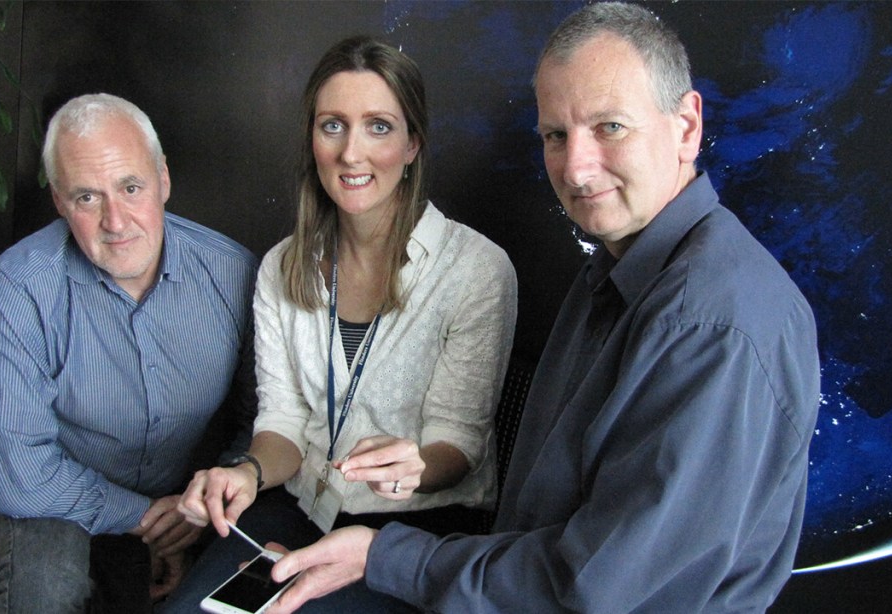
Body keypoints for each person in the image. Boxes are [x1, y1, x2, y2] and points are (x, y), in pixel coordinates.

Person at [259, 3, 822, 613]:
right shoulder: (613, 270)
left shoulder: (712, 326)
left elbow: (594, 587)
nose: (576, 168)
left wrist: (386, 556)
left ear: (686, 126)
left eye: (609, 127)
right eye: (556, 135)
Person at [161, 36, 517, 612]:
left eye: (378, 126)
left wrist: (414, 466)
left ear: (412, 144)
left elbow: (460, 442)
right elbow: (282, 421)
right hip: (303, 505)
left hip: (415, 529)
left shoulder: (476, 270)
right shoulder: (282, 264)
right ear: (312, 139)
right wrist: (249, 472)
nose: (352, 153)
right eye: (333, 126)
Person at [0, 93, 259, 613]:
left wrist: (203, 501)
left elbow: (258, 422)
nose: (116, 221)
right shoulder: (19, 285)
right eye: (86, 198)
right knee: (47, 590)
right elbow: (21, 472)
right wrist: (146, 516)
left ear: (163, 180)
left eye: (130, 187)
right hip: (49, 490)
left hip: (183, 493)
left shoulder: (234, 273)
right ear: (59, 201)